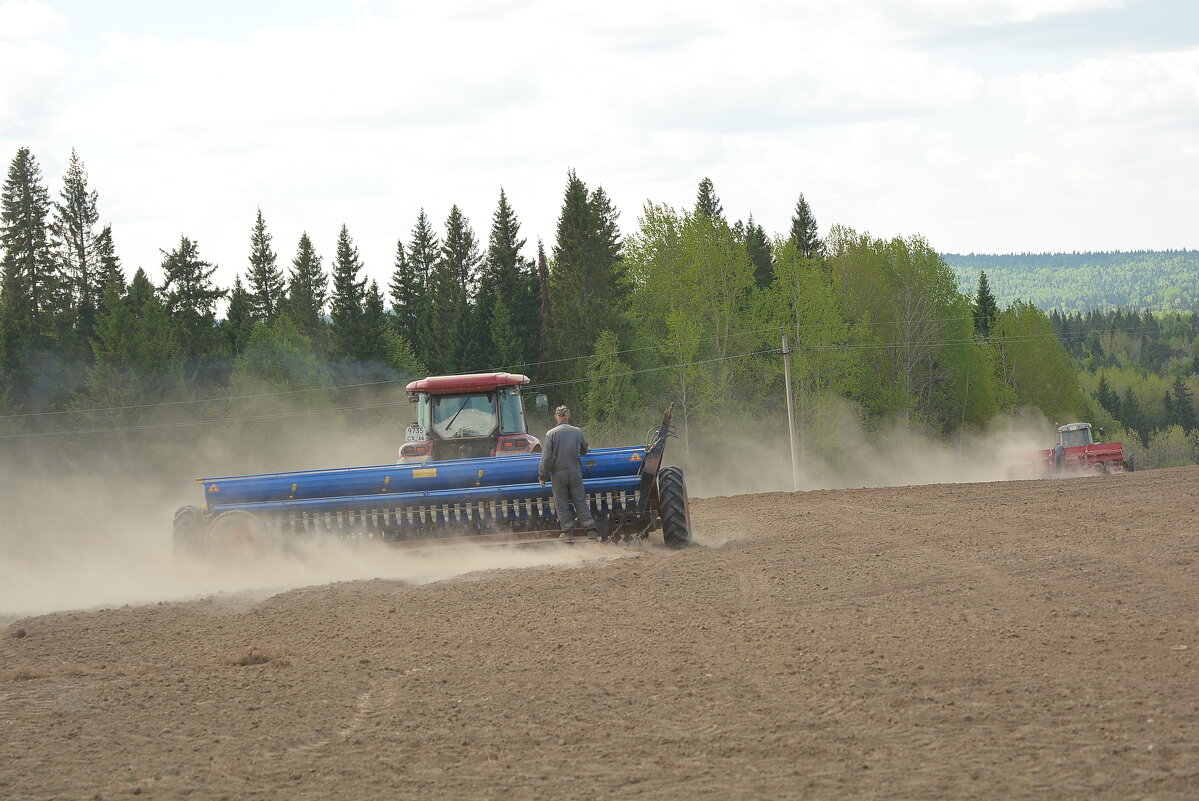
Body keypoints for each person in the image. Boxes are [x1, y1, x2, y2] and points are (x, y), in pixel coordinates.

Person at [539, 405, 597, 544]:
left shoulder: (551, 434)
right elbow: (584, 450)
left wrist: (542, 476)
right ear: (568, 416)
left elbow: (546, 458)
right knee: (580, 501)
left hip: (558, 474)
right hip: (575, 472)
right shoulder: (577, 432)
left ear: (556, 417)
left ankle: (568, 534)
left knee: (561, 504)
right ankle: (591, 530)